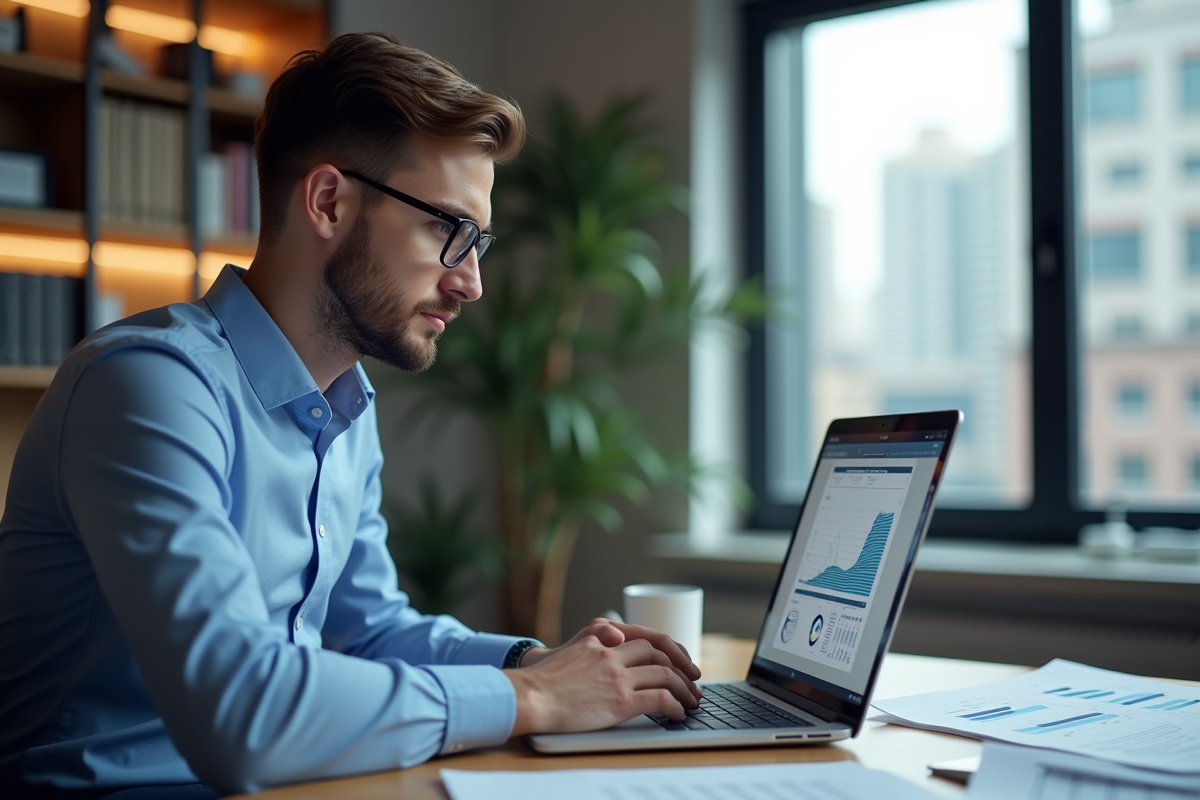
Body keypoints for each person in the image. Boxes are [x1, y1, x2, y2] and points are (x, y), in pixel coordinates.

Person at [0, 32, 701, 798]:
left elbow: (365, 633)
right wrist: (534, 700)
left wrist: (531, 664)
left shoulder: (344, 406)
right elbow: (242, 717)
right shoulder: (146, 389)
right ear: (329, 201)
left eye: (480, 241)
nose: (471, 283)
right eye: (448, 230)